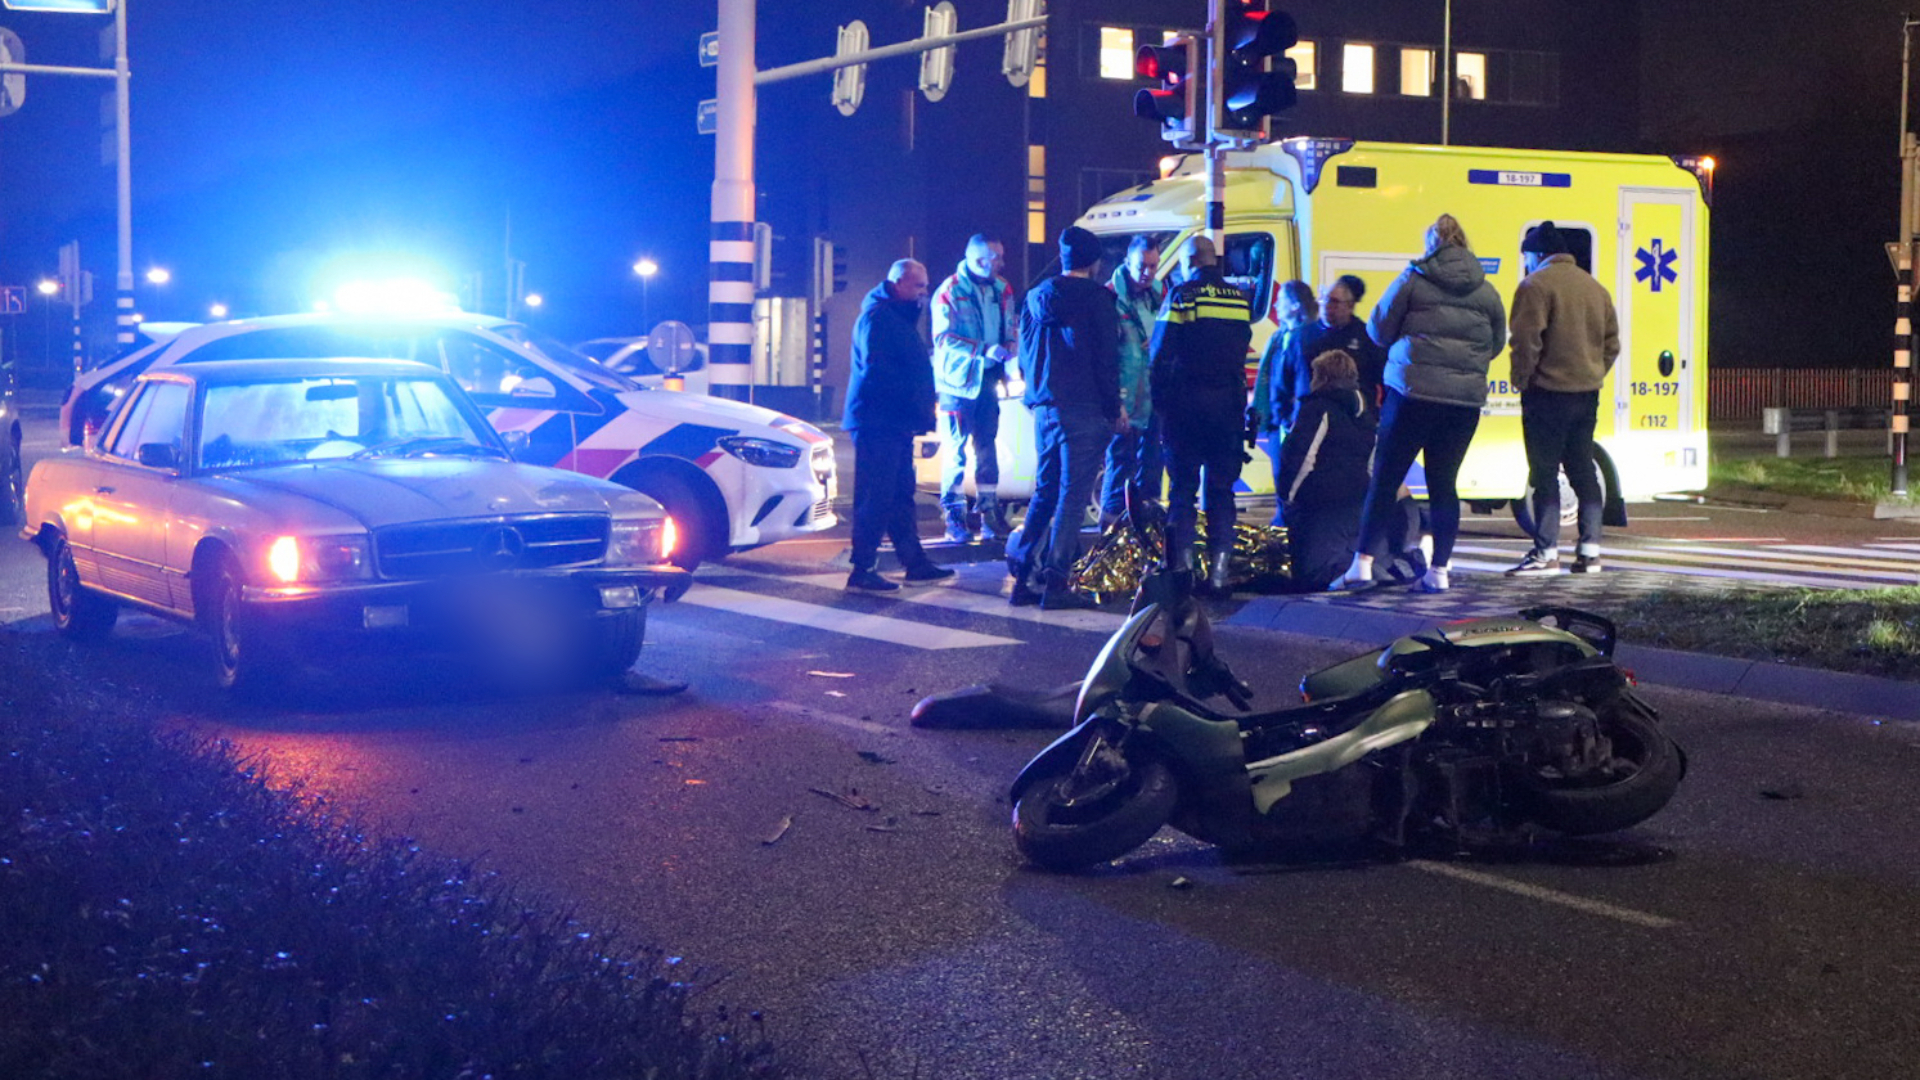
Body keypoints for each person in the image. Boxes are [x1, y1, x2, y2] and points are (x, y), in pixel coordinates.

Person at [1332, 213, 1506, 593]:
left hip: (1412, 395)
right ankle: (1439, 572)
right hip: (1462, 404)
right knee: (1444, 483)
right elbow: (1495, 344)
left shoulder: (1412, 279)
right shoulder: (1486, 291)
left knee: (1386, 477)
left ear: (1432, 244)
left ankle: (1362, 566)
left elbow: (1378, 329)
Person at [1005, 226, 1124, 611]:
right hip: (1084, 408)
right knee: (1073, 497)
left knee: (1046, 491)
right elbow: (1106, 360)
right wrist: (1114, 408)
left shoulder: (1035, 297)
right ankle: (1057, 582)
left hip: (1045, 408)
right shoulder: (1097, 299)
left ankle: (1023, 576)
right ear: (1093, 262)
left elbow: (1025, 356)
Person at [1506, 220, 1620, 576]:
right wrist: (1593, 373)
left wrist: (1522, 379)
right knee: (1583, 470)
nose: (1526, 264)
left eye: (1527, 257)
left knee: (1544, 473)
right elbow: (1612, 344)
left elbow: (1526, 341)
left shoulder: (1535, 286)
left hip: (1547, 394)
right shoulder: (1596, 288)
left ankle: (1546, 553)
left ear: (1537, 254)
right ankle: (1590, 552)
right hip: (1586, 395)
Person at [841, 258, 957, 592]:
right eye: (918, 286)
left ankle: (914, 562)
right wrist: (910, 404)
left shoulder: (894, 316)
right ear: (898, 284)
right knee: (876, 495)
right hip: (879, 422)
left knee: (899, 494)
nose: (923, 292)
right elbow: (879, 371)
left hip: (893, 422)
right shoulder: (879, 318)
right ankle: (863, 568)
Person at [1149, 234, 1254, 597]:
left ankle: (1184, 574)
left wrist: (1159, 402)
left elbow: (1160, 352)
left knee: (1183, 490)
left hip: (1187, 407)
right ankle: (1220, 574)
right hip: (1228, 409)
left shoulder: (1183, 295)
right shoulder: (1238, 298)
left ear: (1190, 261)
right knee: (1221, 491)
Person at [930, 234, 1018, 544]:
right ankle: (954, 516)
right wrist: (984, 349)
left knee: (987, 448)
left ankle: (989, 513)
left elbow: (1010, 325)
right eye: (997, 258)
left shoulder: (1002, 289)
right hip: (958, 384)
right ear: (980, 261)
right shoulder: (950, 291)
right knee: (955, 452)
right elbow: (942, 338)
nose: (1002, 263)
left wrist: (1010, 346)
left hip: (989, 379)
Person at [1275, 349, 1376, 592]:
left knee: (1310, 575)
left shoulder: (1317, 408)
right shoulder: (1365, 414)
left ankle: (1341, 575)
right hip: (1357, 501)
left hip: (1320, 502)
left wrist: (1288, 498)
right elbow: (1372, 462)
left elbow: (1301, 458)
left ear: (1322, 377)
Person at [1100, 234, 1166, 526]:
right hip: (1125, 399)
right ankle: (1110, 531)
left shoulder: (1161, 293)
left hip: (1154, 398)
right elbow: (1105, 357)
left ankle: (1147, 532)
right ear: (1127, 262)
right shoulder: (1110, 297)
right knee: (1120, 468)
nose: (1147, 273)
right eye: (1142, 266)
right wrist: (1115, 403)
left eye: (1153, 266)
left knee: (1152, 468)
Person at [1250, 279, 1319, 525]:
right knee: (1281, 479)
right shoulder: (1280, 338)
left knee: (1290, 482)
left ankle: (1288, 529)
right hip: (1276, 420)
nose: (1275, 306)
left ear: (1295, 306)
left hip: (1292, 423)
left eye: (1281, 301)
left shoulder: (1306, 339)